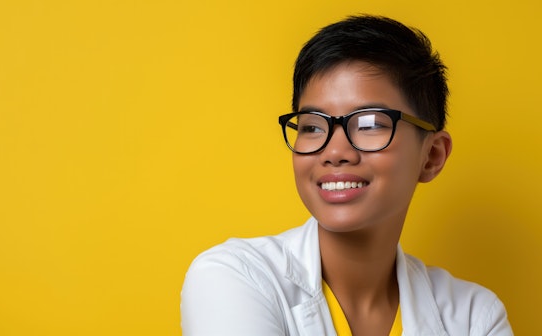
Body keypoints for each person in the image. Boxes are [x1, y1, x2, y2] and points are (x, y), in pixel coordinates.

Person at [180, 14, 513, 335]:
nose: (335, 152)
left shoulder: (474, 316)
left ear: (432, 156)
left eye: (369, 124)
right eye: (312, 126)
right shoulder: (234, 278)